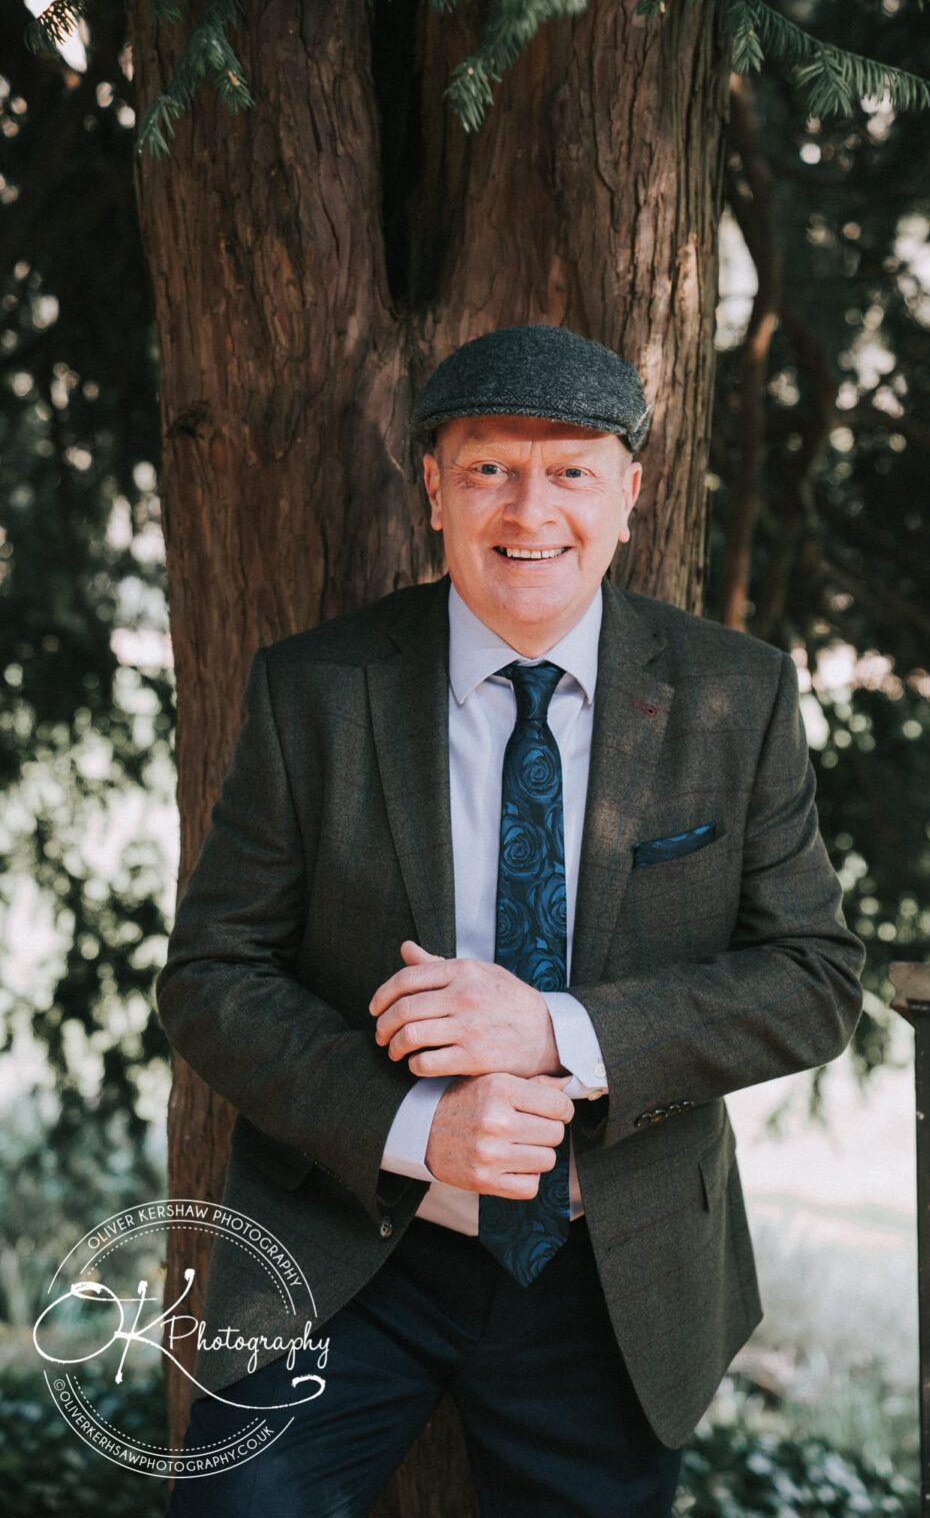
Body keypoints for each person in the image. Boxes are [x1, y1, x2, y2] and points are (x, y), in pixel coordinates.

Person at [156, 323, 865, 1517]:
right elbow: (213, 975)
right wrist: (412, 1128)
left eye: (571, 469)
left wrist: (554, 1029)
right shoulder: (314, 689)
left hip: (612, 1268)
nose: (529, 507)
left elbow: (813, 978)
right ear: (431, 488)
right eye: (488, 467)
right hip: (345, 1244)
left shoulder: (736, 695)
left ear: (630, 495)